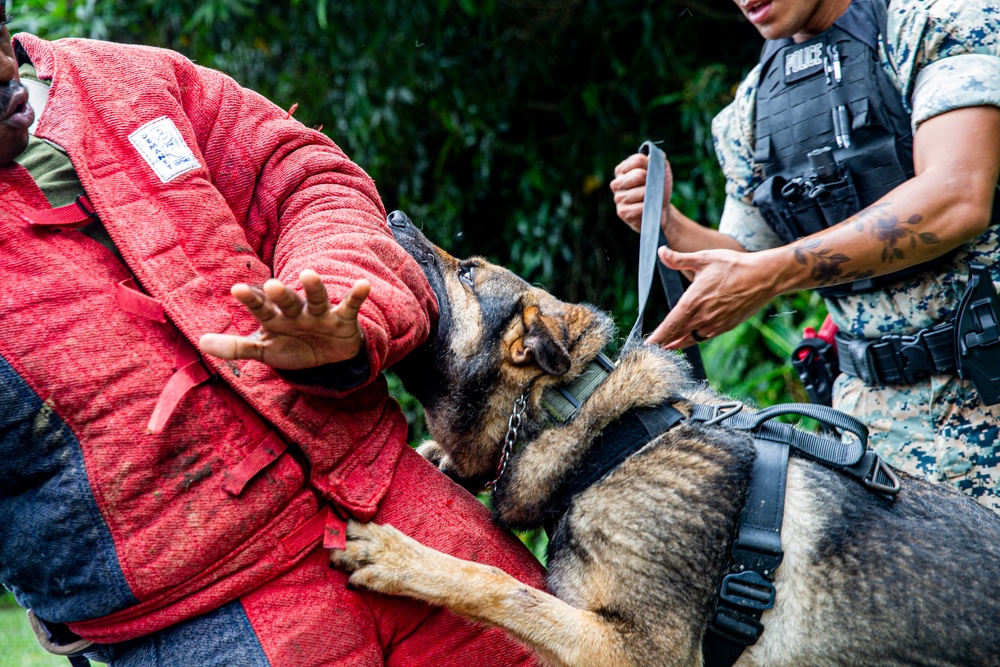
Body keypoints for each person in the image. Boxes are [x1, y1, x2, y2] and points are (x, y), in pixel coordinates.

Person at [0, 8, 546, 667]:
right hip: (203, 626)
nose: (6, 69)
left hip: (413, 521)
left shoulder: (120, 80)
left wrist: (344, 301)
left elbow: (302, 176)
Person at [610, 0, 1000, 510]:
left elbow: (955, 197)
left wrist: (769, 273)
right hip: (871, 435)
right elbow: (745, 258)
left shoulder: (939, 23)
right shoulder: (751, 109)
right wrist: (668, 224)